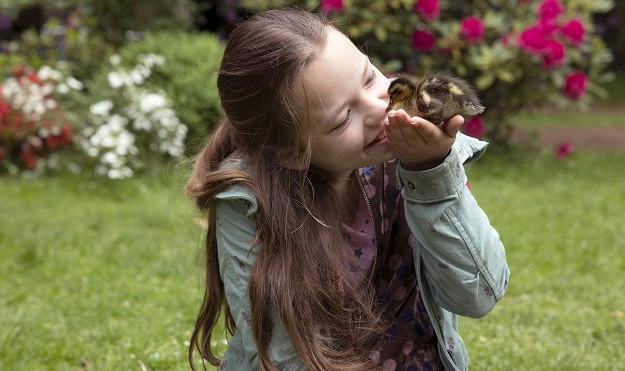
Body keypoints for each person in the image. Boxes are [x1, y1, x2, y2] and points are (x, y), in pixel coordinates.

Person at [186, 9, 509, 371]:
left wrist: (432, 173)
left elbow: (478, 294)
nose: (379, 108)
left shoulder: (416, 150)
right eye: (343, 118)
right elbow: (283, 356)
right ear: (291, 152)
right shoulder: (251, 200)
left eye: (370, 78)